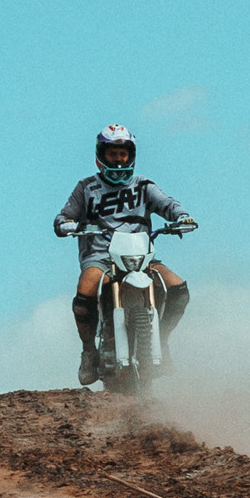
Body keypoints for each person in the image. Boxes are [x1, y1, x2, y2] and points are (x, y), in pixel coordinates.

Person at [53, 125, 197, 387]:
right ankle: (88, 352)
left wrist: (181, 216)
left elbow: (167, 203)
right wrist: (66, 223)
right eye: (112, 154)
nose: (118, 159)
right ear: (101, 156)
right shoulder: (86, 188)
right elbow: (66, 215)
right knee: (85, 289)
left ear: (131, 155)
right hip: (101, 255)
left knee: (178, 288)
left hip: (141, 256)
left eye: (122, 153)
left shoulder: (142, 185)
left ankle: (161, 340)